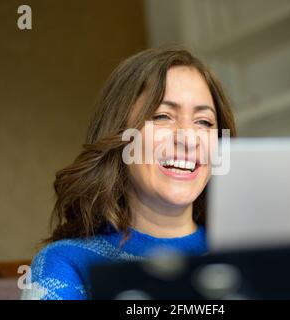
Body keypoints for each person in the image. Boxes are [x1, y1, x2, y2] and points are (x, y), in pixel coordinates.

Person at [21, 47, 236, 300]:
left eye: (204, 122)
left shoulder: (250, 253)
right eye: (162, 116)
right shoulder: (65, 264)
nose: (188, 139)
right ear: (120, 135)